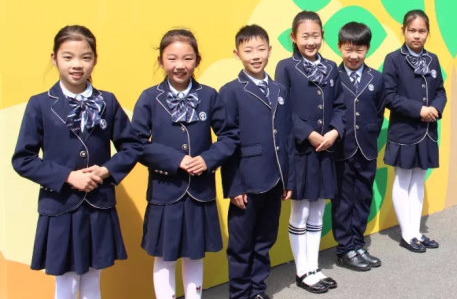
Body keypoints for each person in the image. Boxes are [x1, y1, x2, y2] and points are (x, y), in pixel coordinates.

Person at [12, 25, 142, 299]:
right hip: (60, 206)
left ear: (95, 59)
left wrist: (106, 170)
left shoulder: (107, 101)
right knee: (67, 282)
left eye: (85, 57)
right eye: (68, 57)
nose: (77, 65)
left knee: (93, 279)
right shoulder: (40, 104)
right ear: (54, 58)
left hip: (98, 204)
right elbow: (23, 159)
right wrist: (68, 177)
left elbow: (131, 146)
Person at [132, 29, 238, 299]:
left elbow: (229, 136)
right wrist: (176, 160)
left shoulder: (209, 96)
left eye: (187, 58)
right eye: (172, 58)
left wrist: (207, 159)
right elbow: (136, 143)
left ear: (197, 60)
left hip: (200, 191)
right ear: (160, 61)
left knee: (194, 254)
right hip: (165, 192)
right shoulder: (150, 98)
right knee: (164, 255)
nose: (180, 65)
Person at [219, 24, 294, 299]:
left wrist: (288, 178)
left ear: (270, 51)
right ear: (237, 53)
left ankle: (258, 290)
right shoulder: (230, 91)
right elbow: (227, 142)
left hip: (275, 179)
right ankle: (240, 293)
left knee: (265, 239)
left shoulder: (279, 89)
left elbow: (286, 137)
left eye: (261, 49)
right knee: (241, 244)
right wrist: (234, 186)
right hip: (246, 181)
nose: (255, 55)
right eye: (248, 50)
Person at [275, 10, 345, 294]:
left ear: (322, 36)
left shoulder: (331, 67)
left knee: (318, 210)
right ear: (294, 37)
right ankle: (302, 271)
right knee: (301, 210)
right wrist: (309, 133)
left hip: (325, 149)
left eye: (315, 35)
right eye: (305, 36)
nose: (311, 41)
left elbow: (340, 105)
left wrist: (334, 131)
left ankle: (314, 267)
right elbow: (283, 109)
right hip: (301, 151)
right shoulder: (285, 67)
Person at [382, 10, 446, 253]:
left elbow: (440, 91)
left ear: (428, 32)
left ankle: (417, 231)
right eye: (412, 31)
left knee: (419, 180)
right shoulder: (393, 60)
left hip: (427, 130)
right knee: (403, 179)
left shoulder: (433, 59)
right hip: (405, 131)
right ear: (403, 30)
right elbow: (389, 96)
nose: (417, 36)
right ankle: (407, 234)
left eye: (422, 31)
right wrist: (419, 110)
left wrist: (435, 109)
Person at [331, 22, 385, 271]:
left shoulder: (377, 78)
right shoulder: (333, 76)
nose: (354, 56)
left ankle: (357, 243)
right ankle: (345, 249)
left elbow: (378, 111)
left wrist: (369, 133)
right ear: (339, 47)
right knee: (343, 200)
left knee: (363, 197)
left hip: (367, 148)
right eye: (348, 50)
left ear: (367, 49)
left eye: (359, 50)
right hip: (342, 149)